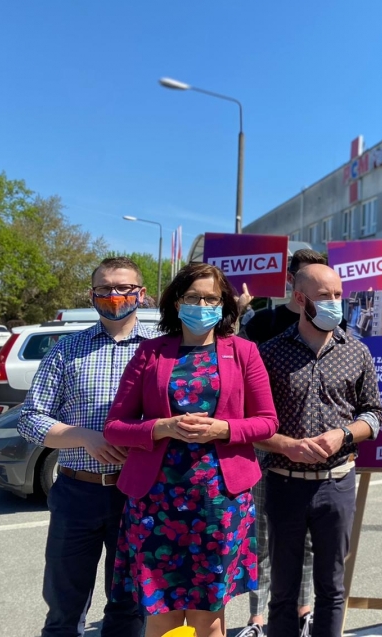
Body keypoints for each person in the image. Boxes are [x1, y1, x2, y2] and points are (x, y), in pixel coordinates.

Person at [104, 262, 278, 637]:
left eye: (210, 298)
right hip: (156, 503)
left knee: (208, 617)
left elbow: (267, 422)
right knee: (161, 615)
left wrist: (223, 429)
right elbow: (115, 427)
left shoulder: (244, 352)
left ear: (223, 304)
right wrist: (161, 427)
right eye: (193, 297)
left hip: (220, 503)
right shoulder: (150, 352)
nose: (202, 305)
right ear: (176, 302)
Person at [18, 256, 157, 637]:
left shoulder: (160, 350)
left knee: (129, 606)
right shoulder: (66, 349)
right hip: (77, 492)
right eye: (105, 288)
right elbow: (31, 418)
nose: (114, 295)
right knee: (64, 605)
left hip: (137, 493)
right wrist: (84, 436)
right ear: (92, 294)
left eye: (124, 288)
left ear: (141, 294)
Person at [257, 263, 382, 637]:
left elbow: (373, 415)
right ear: (300, 299)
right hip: (284, 484)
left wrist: (344, 435)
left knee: (332, 589)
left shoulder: (357, 352)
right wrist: (286, 445)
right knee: (283, 590)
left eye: (338, 295)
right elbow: (252, 424)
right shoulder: (270, 353)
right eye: (324, 296)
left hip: (337, 483)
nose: (334, 303)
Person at [237, 248, 327, 636]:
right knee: (260, 535)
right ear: (293, 283)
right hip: (264, 445)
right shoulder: (263, 322)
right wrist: (238, 311)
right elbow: (232, 364)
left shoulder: (332, 324)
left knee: (304, 538)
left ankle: (304, 611)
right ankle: (258, 617)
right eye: (310, 281)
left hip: (312, 448)